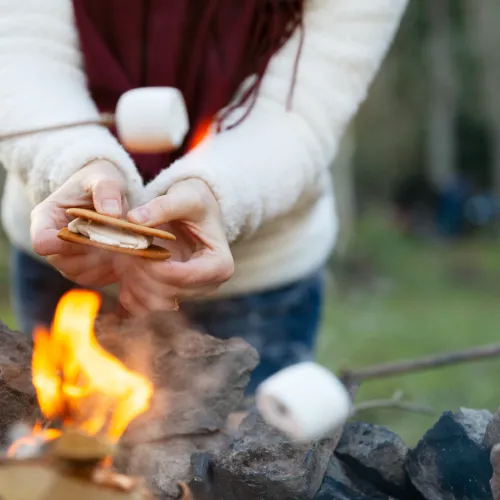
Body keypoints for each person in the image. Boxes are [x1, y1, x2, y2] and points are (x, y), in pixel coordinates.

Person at [0, 0, 407, 393]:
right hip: (63, 264)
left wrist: (215, 194)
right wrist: (74, 162)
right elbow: (25, 53)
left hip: (255, 293)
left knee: (249, 461)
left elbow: (301, 112)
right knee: (62, 455)